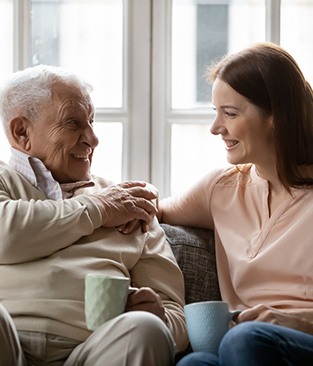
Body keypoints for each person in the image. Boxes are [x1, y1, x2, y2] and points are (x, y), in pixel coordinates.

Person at [0, 65, 188, 366]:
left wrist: (161, 316)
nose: (92, 138)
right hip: (8, 340)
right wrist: (100, 209)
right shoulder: (4, 181)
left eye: (91, 122)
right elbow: (5, 237)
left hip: (96, 349)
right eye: (73, 123)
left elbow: (177, 318)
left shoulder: (130, 203)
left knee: (146, 329)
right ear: (21, 132)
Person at [157, 42, 313, 366]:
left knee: (244, 341)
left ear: (277, 116)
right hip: (241, 348)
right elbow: (153, 206)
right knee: (194, 363)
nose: (216, 128)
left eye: (229, 113)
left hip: (295, 341)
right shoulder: (223, 189)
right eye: (216, 112)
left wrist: (295, 321)